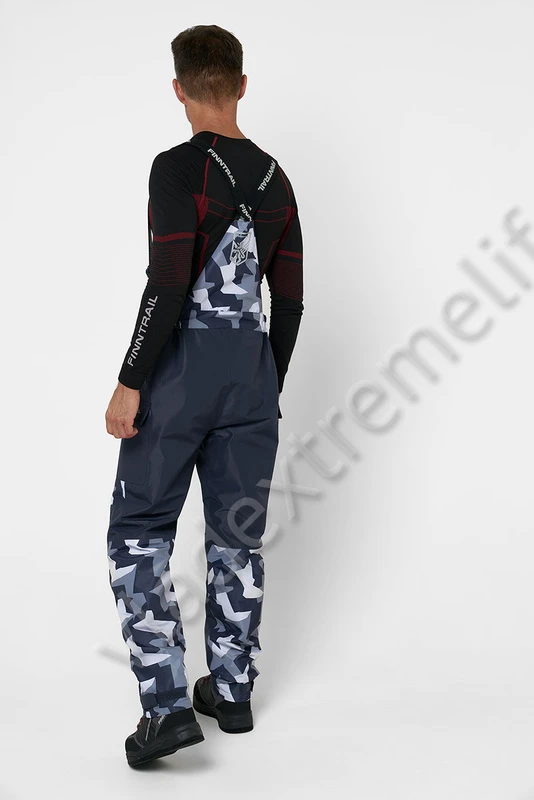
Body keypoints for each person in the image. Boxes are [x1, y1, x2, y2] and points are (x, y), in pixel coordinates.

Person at [105, 24, 304, 768]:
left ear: (179, 90)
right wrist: (263, 383)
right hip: (252, 374)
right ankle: (232, 689)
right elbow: (290, 302)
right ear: (242, 85)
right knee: (237, 535)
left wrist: (131, 380)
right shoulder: (277, 179)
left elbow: (167, 282)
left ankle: (165, 709)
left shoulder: (176, 169)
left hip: (180, 375)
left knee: (139, 530)